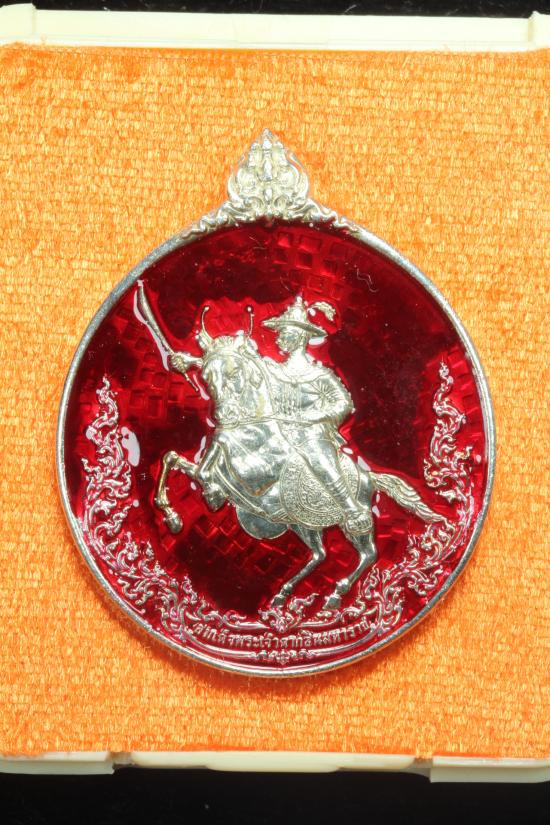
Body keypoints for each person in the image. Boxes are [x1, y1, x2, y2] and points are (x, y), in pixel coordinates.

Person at [262, 296, 372, 534]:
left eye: (284, 332)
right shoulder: (272, 370)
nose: (278, 337)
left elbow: (343, 403)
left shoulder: (319, 375)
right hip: (276, 432)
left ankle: (352, 508)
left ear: (299, 337)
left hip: (311, 434)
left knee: (317, 457)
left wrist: (313, 416)